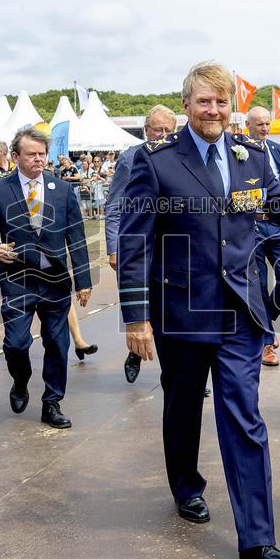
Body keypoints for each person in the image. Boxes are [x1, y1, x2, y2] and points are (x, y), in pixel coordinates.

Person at [118, 61, 280, 559]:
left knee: (244, 416)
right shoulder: (155, 162)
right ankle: (186, 484)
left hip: (241, 311)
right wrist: (136, 317)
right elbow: (134, 242)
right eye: (204, 101)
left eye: (221, 101)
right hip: (182, 312)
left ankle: (257, 539)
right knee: (182, 408)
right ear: (186, 107)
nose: (214, 110)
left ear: (230, 107)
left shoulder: (252, 157)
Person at [0, 126, 92, 429]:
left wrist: (83, 280)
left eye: (42, 154)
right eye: (31, 154)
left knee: (57, 344)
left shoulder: (63, 190)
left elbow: (76, 237)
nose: (39, 159)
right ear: (15, 156)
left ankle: (51, 402)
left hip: (55, 281)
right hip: (18, 279)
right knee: (15, 343)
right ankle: (20, 379)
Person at [106, 105, 177, 384]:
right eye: (157, 129)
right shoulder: (131, 158)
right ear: (145, 130)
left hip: (172, 247)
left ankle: (179, 372)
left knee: (173, 309)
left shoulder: (180, 157)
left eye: (167, 130)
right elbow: (114, 207)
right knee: (143, 305)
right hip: (140, 248)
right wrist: (114, 248)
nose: (161, 135)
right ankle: (136, 352)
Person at [244, 106, 280, 368]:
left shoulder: (276, 149)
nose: (264, 129)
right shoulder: (238, 151)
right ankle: (266, 343)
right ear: (248, 125)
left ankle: (267, 322)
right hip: (251, 225)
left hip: (277, 226)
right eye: (259, 124)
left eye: (267, 124)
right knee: (260, 284)